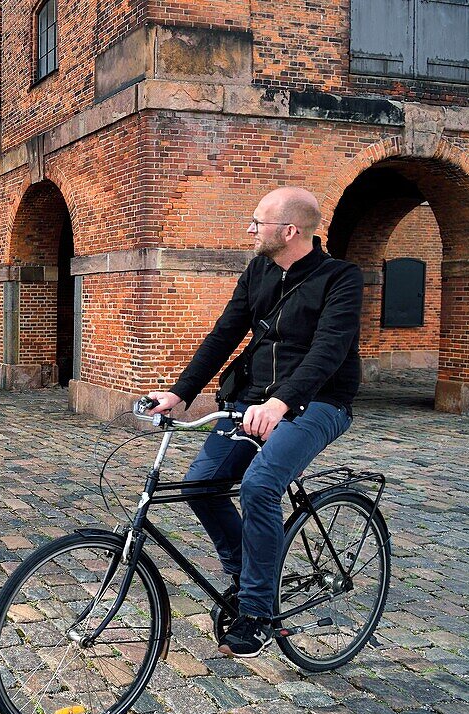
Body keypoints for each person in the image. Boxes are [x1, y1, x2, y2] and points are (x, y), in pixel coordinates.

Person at [145, 186, 363, 658]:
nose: (249, 229)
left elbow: (329, 351)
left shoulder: (340, 279)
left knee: (260, 486)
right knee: (199, 484)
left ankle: (258, 613)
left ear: (289, 231)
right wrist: (180, 394)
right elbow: (225, 332)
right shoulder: (259, 270)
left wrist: (282, 403)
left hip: (320, 402)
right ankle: (249, 575)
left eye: (257, 222)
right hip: (253, 398)